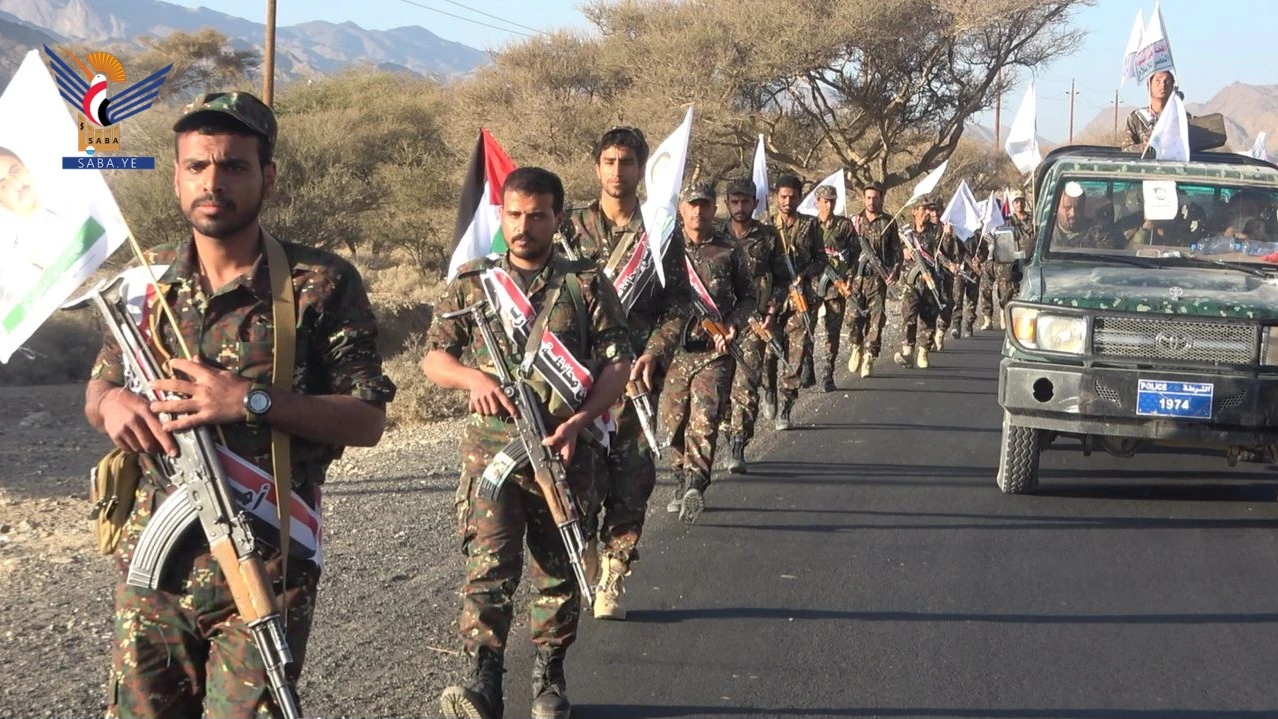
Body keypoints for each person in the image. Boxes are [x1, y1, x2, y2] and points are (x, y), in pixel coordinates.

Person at [83, 91, 396, 718]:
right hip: (153, 571)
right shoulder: (145, 282)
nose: (213, 182)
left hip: (265, 562)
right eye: (196, 166)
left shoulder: (318, 283)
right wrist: (111, 403)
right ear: (176, 177)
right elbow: (99, 388)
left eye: (233, 166)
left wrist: (249, 400)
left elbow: (367, 419)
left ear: (267, 178)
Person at [425, 167, 633, 719]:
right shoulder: (475, 281)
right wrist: (472, 379)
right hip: (491, 455)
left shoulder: (585, 283)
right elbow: (435, 357)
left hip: (564, 451)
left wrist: (580, 422)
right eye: (514, 215)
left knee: (557, 570)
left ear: (557, 218)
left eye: (537, 216)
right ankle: (483, 682)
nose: (523, 226)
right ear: (502, 215)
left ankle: (548, 677)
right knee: (488, 568)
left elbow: (618, 364)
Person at [560, 126, 689, 620]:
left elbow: (678, 304)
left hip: (636, 378)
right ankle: (586, 545)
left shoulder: (660, 229)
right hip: (576, 378)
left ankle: (616, 570)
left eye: (627, 162)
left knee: (632, 478)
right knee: (578, 475)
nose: (618, 171)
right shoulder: (569, 227)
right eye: (609, 162)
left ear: (641, 169)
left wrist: (654, 352)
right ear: (597, 167)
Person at [658, 182, 754, 523]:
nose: (698, 211)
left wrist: (733, 325)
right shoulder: (664, 249)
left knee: (705, 417)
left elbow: (748, 297)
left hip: (714, 351)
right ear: (681, 209)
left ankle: (694, 484)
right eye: (692, 205)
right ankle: (679, 474)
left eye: (705, 205)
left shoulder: (730, 250)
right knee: (673, 421)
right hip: (674, 352)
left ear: (714, 209)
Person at [721, 177, 787, 474]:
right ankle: (726, 432)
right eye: (734, 201)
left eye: (745, 201)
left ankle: (738, 444)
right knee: (721, 387)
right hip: (719, 324)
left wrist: (772, 309)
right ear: (727, 203)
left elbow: (782, 279)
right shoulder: (715, 235)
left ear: (755, 203)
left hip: (754, 321)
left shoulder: (768, 237)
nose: (740, 207)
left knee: (746, 383)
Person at [769, 174, 821, 429]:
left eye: (792, 197)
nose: (787, 201)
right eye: (783, 197)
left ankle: (786, 406)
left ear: (800, 198)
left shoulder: (810, 225)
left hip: (800, 299)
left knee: (796, 354)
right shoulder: (767, 225)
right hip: (770, 299)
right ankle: (769, 390)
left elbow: (821, 259)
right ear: (776, 197)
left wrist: (805, 273)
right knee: (768, 353)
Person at [847, 182, 901, 377]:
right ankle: (856, 346)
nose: (872, 201)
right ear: (863, 199)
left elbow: (897, 251)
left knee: (876, 320)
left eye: (875, 198)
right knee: (853, 318)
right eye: (868, 198)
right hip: (855, 280)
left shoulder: (888, 222)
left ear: (881, 199)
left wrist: (895, 271)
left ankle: (869, 356)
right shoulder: (853, 221)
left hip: (877, 280)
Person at [811, 184, 858, 391]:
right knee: (807, 329)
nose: (829, 205)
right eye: (825, 201)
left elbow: (855, 254)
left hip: (836, 286)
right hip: (814, 286)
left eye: (832, 201)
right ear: (817, 202)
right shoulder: (810, 226)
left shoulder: (844, 226)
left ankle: (827, 373)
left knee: (833, 331)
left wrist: (849, 278)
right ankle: (806, 370)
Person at [894, 200, 943, 369]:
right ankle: (907, 352)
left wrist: (948, 237)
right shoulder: (905, 233)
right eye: (923, 209)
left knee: (928, 318)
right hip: (911, 282)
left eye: (929, 209)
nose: (927, 213)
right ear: (914, 211)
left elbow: (944, 253)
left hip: (930, 281)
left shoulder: (936, 231)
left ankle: (923, 351)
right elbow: (893, 251)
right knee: (909, 315)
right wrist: (902, 251)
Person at [1051, 181, 1124, 251]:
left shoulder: (1096, 232)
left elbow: (1108, 252)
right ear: (1056, 208)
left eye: (1078, 207)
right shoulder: (1048, 233)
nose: (1073, 213)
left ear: (1083, 206)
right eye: (1067, 207)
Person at [1125, 70, 1186, 151]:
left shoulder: (1181, 117)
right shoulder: (1136, 118)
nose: (1163, 84)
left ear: (1172, 87)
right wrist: (1147, 147)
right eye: (1158, 81)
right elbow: (1126, 148)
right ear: (1149, 86)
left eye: (1167, 81)